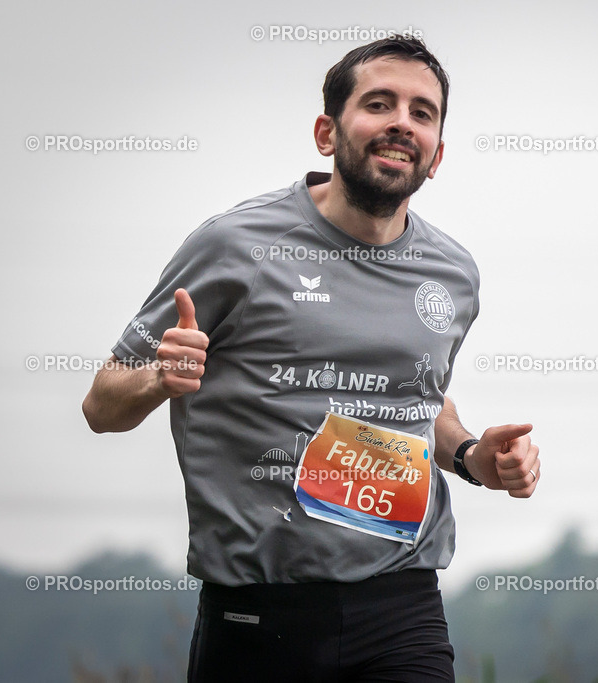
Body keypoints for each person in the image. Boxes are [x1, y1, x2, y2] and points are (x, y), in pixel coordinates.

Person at [82, 35, 540, 682]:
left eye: (422, 111)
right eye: (379, 104)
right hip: (257, 615)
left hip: (402, 606)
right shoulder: (234, 244)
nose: (401, 123)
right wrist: (162, 375)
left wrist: (471, 454)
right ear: (327, 131)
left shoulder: (453, 272)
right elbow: (101, 404)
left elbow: (416, 399)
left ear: (436, 155)